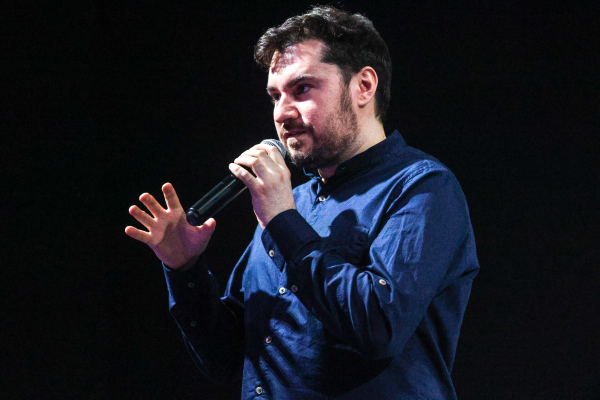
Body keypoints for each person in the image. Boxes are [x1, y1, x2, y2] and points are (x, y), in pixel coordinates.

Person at [126, 6, 479, 399]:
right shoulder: (292, 203)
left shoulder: (423, 187)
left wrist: (283, 222)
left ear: (363, 86)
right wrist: (185, 270)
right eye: (275, 96)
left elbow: (378, 327)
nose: (281, 113)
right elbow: (227, 359)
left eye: (302, 89)